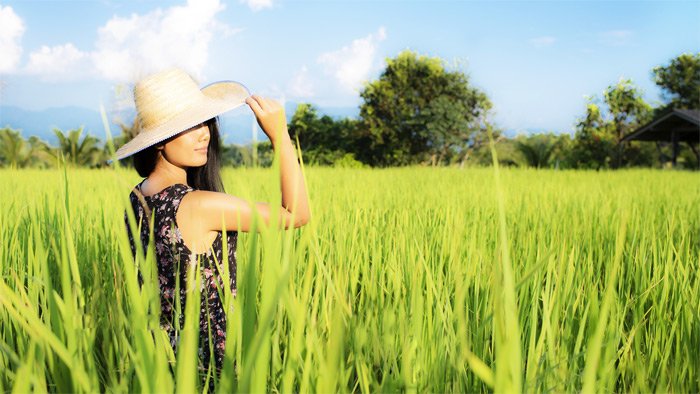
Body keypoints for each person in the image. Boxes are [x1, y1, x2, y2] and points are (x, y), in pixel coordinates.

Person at [115, 68, 311, 389]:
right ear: (159, 141)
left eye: (204, 122)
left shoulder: (138, 196)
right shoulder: (199, 205)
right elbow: (296, 213)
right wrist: (280, 136)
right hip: (208, 368)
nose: (204, 133)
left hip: (157, 360)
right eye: (189, 126)